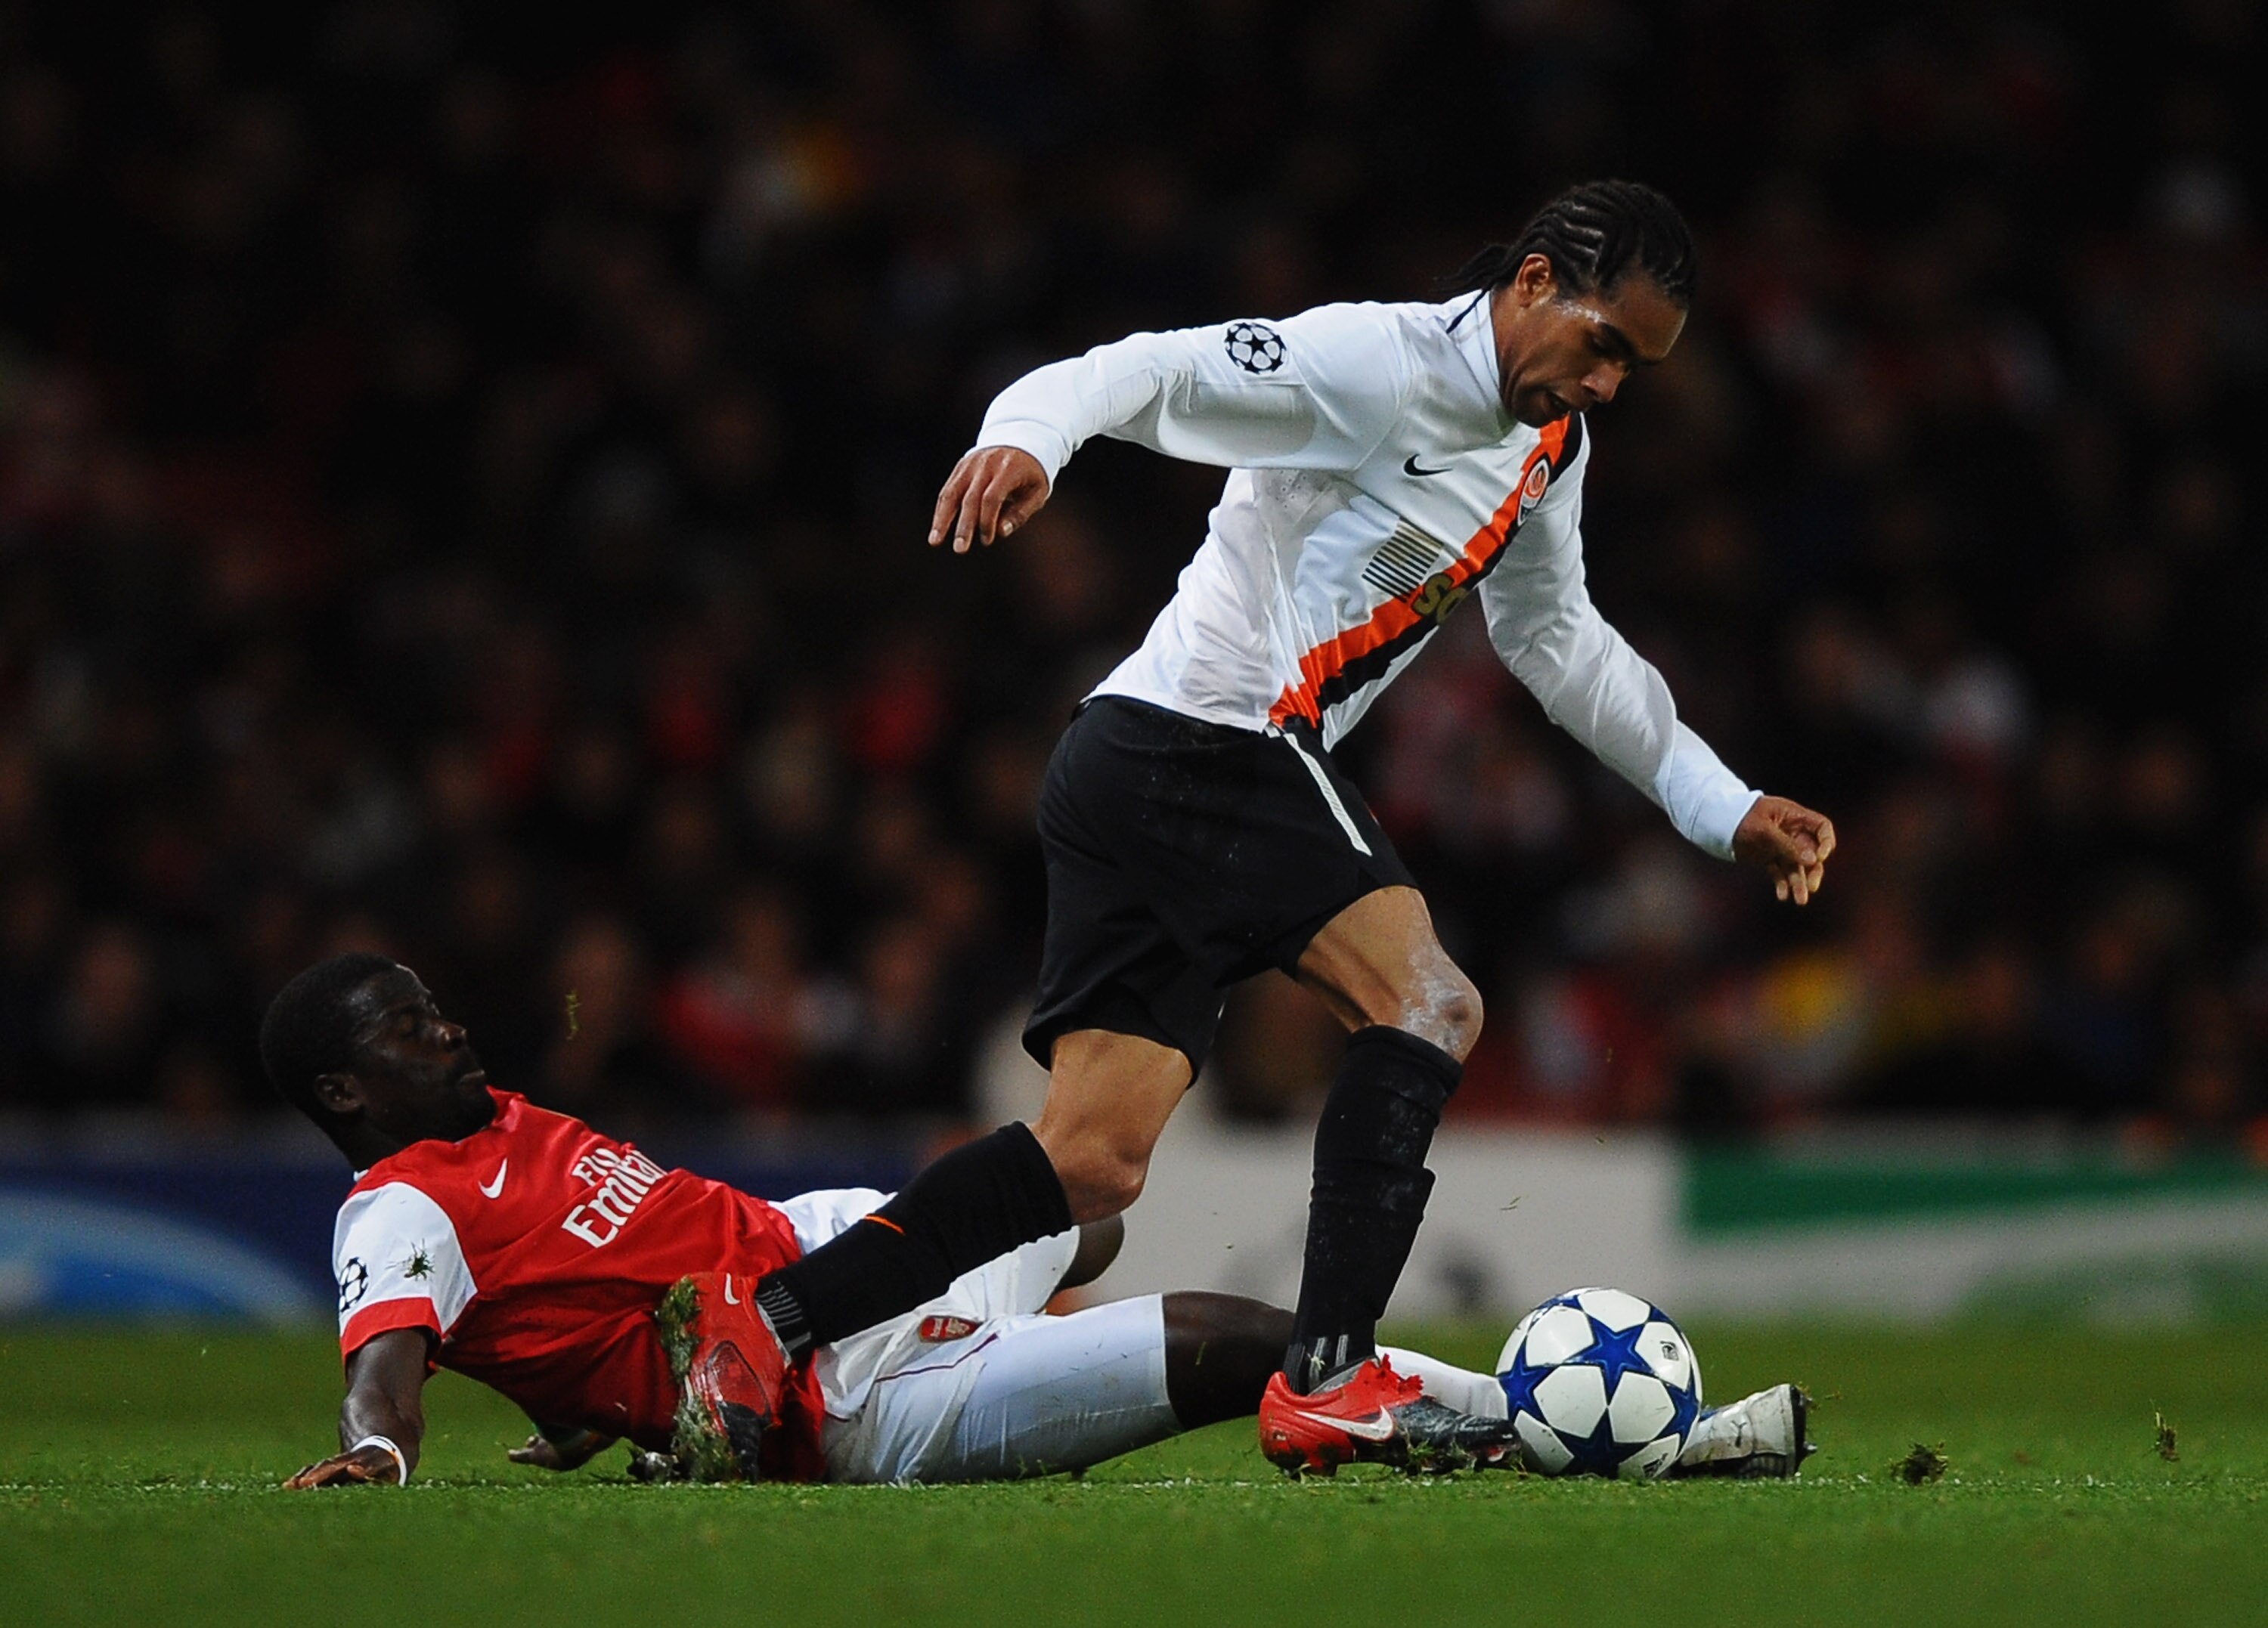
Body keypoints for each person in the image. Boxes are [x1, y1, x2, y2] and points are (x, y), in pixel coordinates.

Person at [696, 179, 1839, 1477]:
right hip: (1200, 738)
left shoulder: (1545, 450)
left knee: (1092, 1166)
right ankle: (1332, 1375)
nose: (1612, 384)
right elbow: (1149, 371)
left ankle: (768, 1316)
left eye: (1639, 367)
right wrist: (1032, 437)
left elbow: (1558, 642)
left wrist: (1721, 800)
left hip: (1143, 761)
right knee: (1430, 1003)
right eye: (1605, 344)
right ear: (1531, 284)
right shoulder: (1375, 364)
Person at [270, 953, 1809, 1487]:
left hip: (813, 1251)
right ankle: (1616, 1437)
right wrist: (381, 1452)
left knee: (1084, 1201)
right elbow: (388, 1350)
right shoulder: (399, 1201)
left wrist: (591, 1401)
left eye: (431, 1003)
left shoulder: (501, 1129)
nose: (446, 1025)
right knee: (1246, 1346)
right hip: (830, 1391)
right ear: (347, 1089)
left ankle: (1032, 1348)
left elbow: (577, 1291)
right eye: (404, 1027)